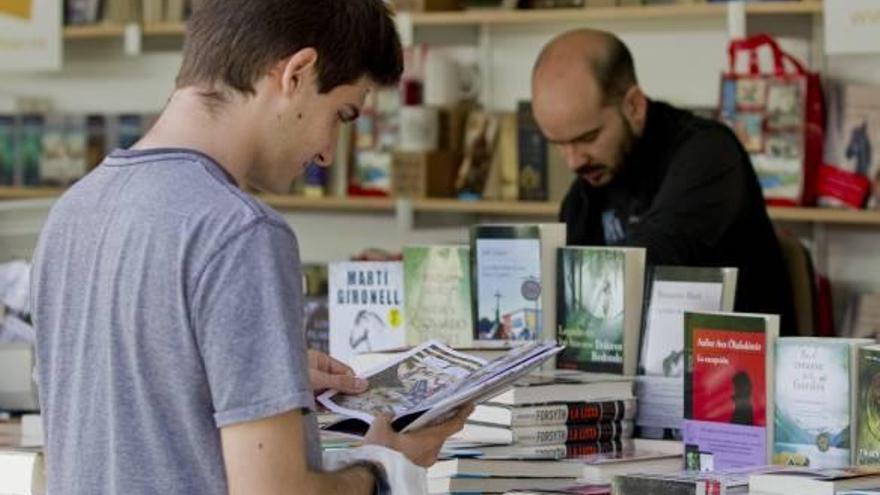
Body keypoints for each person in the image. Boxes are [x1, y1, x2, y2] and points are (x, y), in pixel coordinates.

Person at [31, 1, 472, 494]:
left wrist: (264, 374)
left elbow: (123, 418)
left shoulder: (72, 212)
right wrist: (382, 468)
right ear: (297, 74)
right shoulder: (241, 232)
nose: (328, 151)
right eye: (341, 115)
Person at [531, 29, 794, 334]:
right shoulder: (585, 192)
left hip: (738, 368)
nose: (573, 161)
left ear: (634, 106)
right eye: (559, 145)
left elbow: (652, 258)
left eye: (588, 138)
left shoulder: (709, 153)